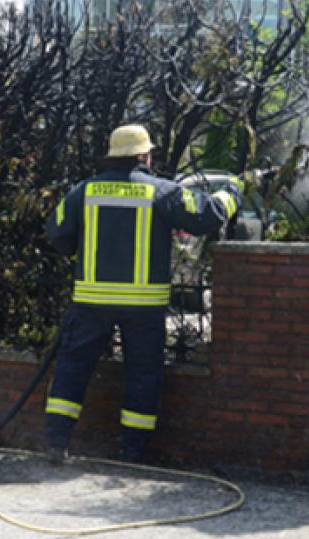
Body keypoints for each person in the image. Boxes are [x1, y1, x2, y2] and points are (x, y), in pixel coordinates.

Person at [43, 124, 244, 463]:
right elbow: (207, 216)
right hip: (143, 306)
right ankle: (131, 451)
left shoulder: (83, 191)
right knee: (143, 374)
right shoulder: (162, 192)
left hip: (92, 302)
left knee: (73, 367)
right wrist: (234, 191)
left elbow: (58, 236)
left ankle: (56, 443)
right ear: (143, 156)